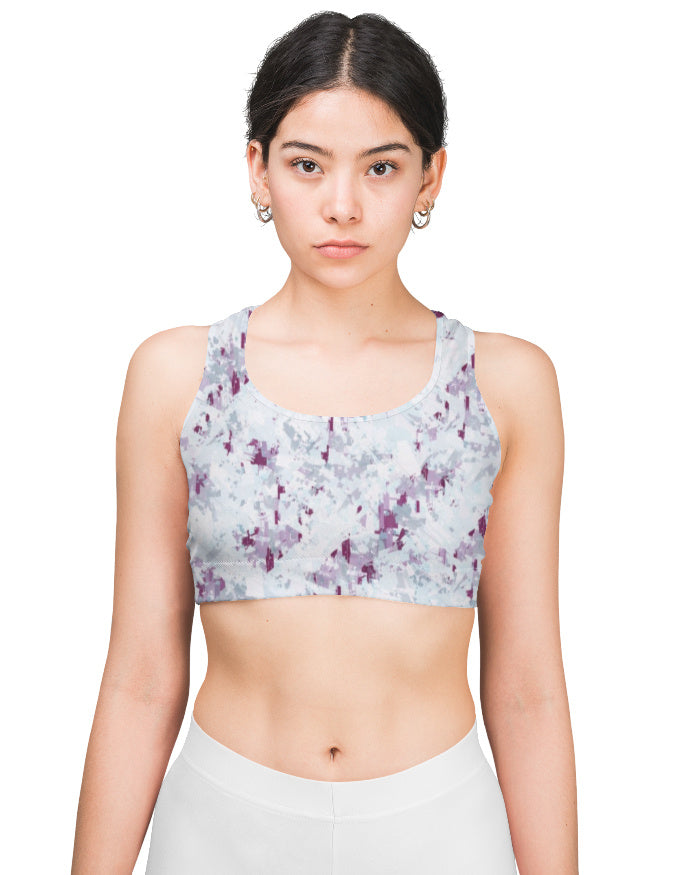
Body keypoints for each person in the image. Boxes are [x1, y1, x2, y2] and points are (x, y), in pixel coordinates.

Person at [71, 11, 578, 874]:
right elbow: (141, 676)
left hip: (441, 827)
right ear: (258, 169)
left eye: (382, 166)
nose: (342, 204)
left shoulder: (506, 383)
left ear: (431, 176)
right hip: (222, 825)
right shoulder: (177, 375)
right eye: (307, 164)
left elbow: (527, 687)